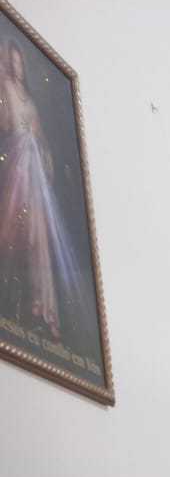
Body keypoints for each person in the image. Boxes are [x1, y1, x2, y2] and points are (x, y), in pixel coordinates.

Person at [0, 36, 85, 339]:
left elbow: (40, 139)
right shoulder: (5, 88)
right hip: (16, 171)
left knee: (38, 238)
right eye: (10, 62)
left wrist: (42, 151)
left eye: (18, 62)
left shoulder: (32, 102)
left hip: (33, 178)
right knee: (14, 231)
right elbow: (6, 127)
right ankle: (14, 300)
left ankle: (40, 306)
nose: (15, 67)